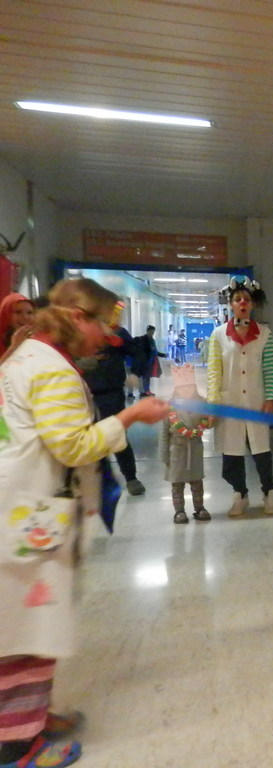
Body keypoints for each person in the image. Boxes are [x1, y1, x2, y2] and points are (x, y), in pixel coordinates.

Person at [0, 278, 169, 768]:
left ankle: (29, 717)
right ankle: (17, 746)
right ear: (78, 318)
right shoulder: (52, 370)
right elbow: (72, 446)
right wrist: (131, 416)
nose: (108, 339)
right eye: (103, 326)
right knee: (28, 634)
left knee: (27, 627)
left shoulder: (26, 356)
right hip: (28, 517)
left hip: (22, 510)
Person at [206, 276, 273, 517]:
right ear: (230, 304)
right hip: (230, 404)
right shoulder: (218, 335)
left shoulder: (265, 334)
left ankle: (269, 492)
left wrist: (271, 398)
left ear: (253, 304)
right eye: (237, 299)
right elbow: (214, 371)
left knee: (262, 453)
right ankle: (240, 494)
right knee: (232, 455)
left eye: (246, 299)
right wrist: (213, 403)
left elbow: (270, 369)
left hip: (256, 402)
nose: (242, 303)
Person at [80, 311, 147, 496]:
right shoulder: (77, 332)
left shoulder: (116, 333)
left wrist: (135, 372)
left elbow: (138, 352)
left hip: (111, 393)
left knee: (117, 435)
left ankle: (131, 478)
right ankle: (94, 481)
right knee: (86, 439)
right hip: (83, 394)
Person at [159, 364, 211, 524]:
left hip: (194, 448)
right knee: (177, 484)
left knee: (197, 482)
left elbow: (208, 422)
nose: (186, 391)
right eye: (182, 388)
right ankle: (179, 511)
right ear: (176, 389)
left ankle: (199, 508)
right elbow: (164, 433)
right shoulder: (170, 407)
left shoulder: (202, 404)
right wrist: (164, 454)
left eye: (189, 387)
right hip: (177, 450)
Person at [130, 325, 164, 397]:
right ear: (147, 331)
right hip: (142, 362)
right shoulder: (142, 339)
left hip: (149, 362)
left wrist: (163, 355)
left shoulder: (152, 340)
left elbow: (154, 351)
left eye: (153, 332)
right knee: (141, 377)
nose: (152, 333)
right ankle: (139, 392)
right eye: (151, 332)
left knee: (146, 377)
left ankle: (146, 391)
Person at [0, 292, 35, 360]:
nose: (25, 317)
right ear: (6, 314)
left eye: (29, 313)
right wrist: (14, 347)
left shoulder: (37, 339)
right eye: (18, 312)